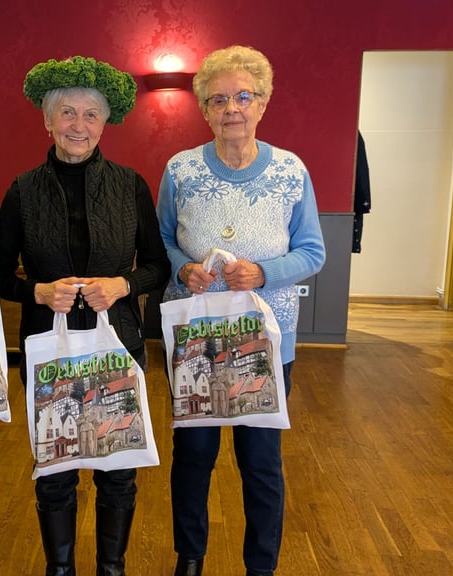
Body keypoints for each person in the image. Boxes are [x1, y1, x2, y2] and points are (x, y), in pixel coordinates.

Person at [0, 56, 170, 576]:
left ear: (104, 123)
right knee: (55, 468)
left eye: (91, 115)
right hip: (49, 345)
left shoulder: (130, 184)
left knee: (117, 469)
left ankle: (112, 568)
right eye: (67, 113)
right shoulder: (23, 190)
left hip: (119, 344)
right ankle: (60, 570)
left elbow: (158, 265)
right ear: (47, 121)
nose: (79, 125)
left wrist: (124, 284)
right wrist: (38, 292)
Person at [156, 45, 326, 576]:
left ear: (263, 103)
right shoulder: (180, 170)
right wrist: (183, 267)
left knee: (260, 463)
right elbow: (161, 238)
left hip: (265, 342)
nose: (232, 108)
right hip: (196, 340)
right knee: (194, 457)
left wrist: (265, 272)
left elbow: (314, 251)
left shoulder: (291, 171)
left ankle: (262, 565)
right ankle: (190, 557)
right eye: (219, 99)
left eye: (243, 97)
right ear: (204, 109)